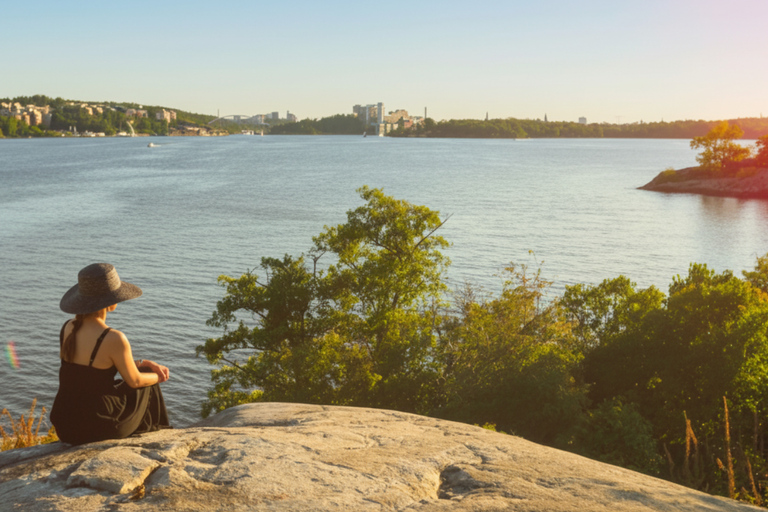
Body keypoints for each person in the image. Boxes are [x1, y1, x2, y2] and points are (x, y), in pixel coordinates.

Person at [51, 263, 170, 445]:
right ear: (110, 300)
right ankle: (158, 436)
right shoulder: (114, 338)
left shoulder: (68, 327)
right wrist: (157, 376)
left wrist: (143, 362)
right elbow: (135, 381)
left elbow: (88, 372)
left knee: (142, 370)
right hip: (99, 427)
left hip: (66, 427)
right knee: (147, 379)